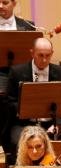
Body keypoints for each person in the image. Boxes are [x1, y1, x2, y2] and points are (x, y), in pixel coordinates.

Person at [3, 37, 61, 165]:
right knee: (19, 142)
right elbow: (9, 102)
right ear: (32, 53)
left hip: (51, 123)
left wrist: (58, 124)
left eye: (48, 56)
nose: (44, 60)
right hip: (23, 124)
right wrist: (27, 108)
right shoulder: (17, 72)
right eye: (40, 55)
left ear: (52, 54)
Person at [0, 0, 35, 147]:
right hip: (0, 74)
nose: (0, 6)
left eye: (5, 2)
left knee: (27, 92)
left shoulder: (28, 26)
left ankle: (15, 138)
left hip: (21, 74)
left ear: (14, 4)